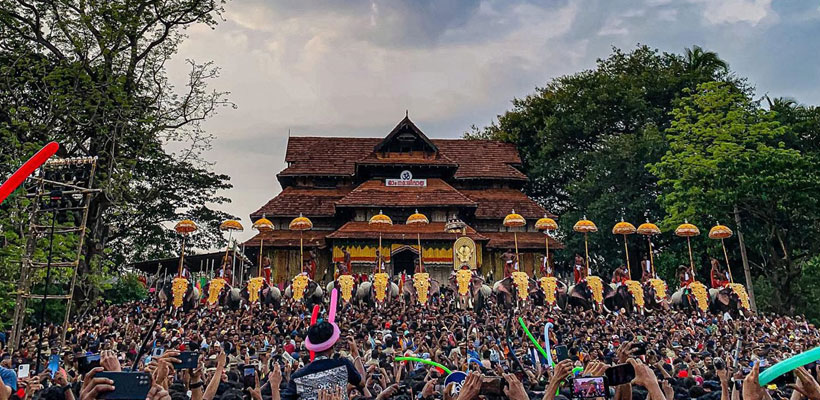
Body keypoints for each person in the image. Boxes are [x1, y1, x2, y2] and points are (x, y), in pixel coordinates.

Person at [282, 321, 364, 400]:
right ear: (333, 343)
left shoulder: (298, 376)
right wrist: (355, 353)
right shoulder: (343, 364)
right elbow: (362, 382)